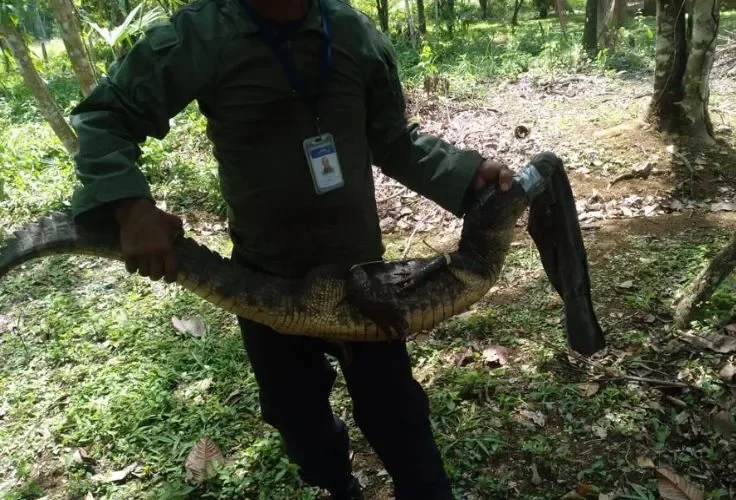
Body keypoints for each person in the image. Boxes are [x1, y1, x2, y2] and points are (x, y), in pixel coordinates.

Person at [68, 0, 513, 498]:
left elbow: (394, 142)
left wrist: (465, 172)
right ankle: (338, 486)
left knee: (398, 416)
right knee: (295, 417)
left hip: (363, 281)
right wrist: (131, 207)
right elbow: (105, 116)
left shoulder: (354, 34)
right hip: (266, 281)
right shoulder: (201, 34)